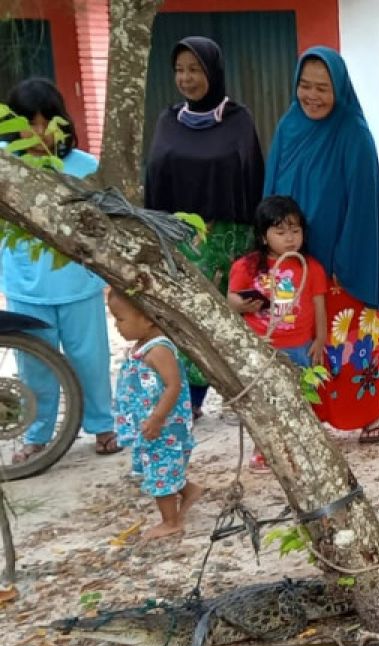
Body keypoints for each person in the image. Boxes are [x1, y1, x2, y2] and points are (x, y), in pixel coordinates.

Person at [264, 47, 379, 444]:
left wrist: (347, 257)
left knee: (348, 338)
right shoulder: (289, 127)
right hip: (293, 256)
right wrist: (270, 245)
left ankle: (368, 412)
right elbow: (271, 190)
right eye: (305, 86)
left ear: (339, 88)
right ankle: (311, 412)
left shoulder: (352, 131)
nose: (312, 96)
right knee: (301, 337)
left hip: (339, 259)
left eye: (323, 87)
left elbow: (363, 201)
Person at [145, 36, 265, 419]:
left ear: (213, 71)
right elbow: (155, 179)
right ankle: (191, 401)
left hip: (230, 241)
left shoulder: (238, 120)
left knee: (234, 319)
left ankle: (241, 396)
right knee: (189, 321)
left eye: (195, 69)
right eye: (179, 70)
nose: (186, 78)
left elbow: (252, 177)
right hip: (182, 244)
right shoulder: (168, 121)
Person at [1, 78, 120, 463]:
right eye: (27, 124)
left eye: (45, 123)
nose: (38, 134)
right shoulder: (6, 165)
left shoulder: (84, 168)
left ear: (61, 123)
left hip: (78, 284)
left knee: (91, 360)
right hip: (25, 286)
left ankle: (103, 427)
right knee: (35, 364)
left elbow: (106, 224)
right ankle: (37, 434)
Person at [227, 195, 328, 473]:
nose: (289, 238)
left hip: (299, 346)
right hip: (261, 347)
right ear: (263, 236)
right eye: (280, 232)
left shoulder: (310, 267)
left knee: (302, 397)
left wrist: (320, 339)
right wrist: (241, 304)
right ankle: (264, 450)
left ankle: (303, 446)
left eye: (295, 231)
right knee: (264, 400)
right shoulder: (246, 266)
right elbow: (230, 300)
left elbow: (319, 302)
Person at [109, 290, 201, 539]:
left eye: (121, 319)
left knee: (160, 468)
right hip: (154, 423)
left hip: (164, 425)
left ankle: (170, 521)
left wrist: (158, 418)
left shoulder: (159, 350)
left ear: (148, 319)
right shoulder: (143, 345)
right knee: (164, 465)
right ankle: (190, 490)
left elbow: (174, 385)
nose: (117, 326)